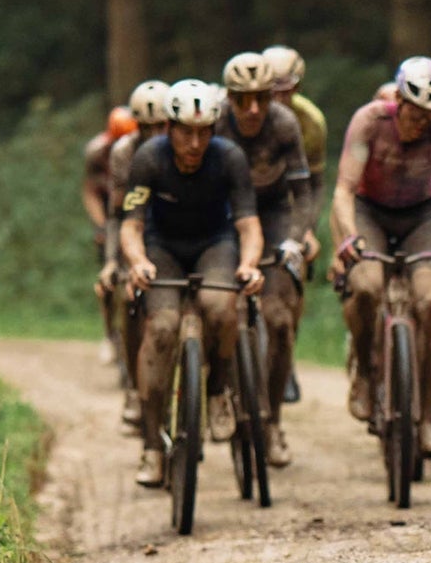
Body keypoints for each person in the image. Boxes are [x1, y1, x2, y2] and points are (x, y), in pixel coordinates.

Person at [120, 80, 264, 489]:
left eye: (205, 132)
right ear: (169, 127)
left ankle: (217, 390)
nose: (196, 142)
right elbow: (131, 225)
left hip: (214, 243)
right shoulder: (149, 159)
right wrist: (138, 261)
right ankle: (151, 446)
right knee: (162, 329)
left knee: (220, 307)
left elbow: (248, 224)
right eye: (186, 131)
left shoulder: (230, 158)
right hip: (161, 247)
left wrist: (250, 264)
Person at [330, 56, 431, 461]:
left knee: (429, 301)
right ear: (399, 102)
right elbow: (343, 188)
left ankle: (426, 415)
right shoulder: (370, 122)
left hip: (421, 215)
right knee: (366, 286)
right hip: (370, 211)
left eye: (430, 116)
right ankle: (363, 368)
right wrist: (350, 236)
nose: (420, 123)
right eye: (414, 113)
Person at [216, 52, 313, 467]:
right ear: (230, 99)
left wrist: (295, 239)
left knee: (279, 320)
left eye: (261, 98)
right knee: (214, 305)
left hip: (272, 214)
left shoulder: (285, 124)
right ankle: (217, 389)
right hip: (221, 215)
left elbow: (303, 193)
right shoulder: (215, 122)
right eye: (243, 100)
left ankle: (272, 421)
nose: (252, 109)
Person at [99, 80, 170, 429]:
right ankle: (132, 384)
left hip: (176, 232)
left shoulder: (186, 146)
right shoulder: (123, 153)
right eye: (148, 127)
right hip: (137, 230)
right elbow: (119, 213)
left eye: (163, 126)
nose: (156, 133)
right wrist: (114, 260)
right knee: (129, 299)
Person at [261, 45, 327, 260]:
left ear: (297, 87)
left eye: (285, 92)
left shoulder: (311, 122)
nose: (278, 101)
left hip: (288, 205)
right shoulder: (245, 115)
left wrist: (307, 229)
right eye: (271, 94)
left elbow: (314, 183)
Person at [84, 106, 137, 363]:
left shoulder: (141, 150)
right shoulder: (96, 153)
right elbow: (90, 192)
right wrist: (101, 225)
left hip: (137, 211)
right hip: (111, 214)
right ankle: (108, 333)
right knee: (107, 276)